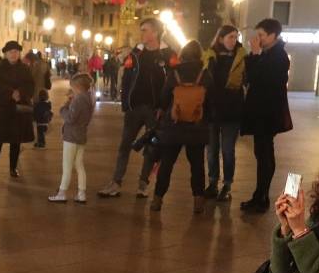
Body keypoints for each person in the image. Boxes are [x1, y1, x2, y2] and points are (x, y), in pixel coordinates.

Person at [99, 18, 171, 197]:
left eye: (145, 30)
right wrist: (126, 104)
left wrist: (164, 106)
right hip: (134, 107)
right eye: (142, 30)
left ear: (155, 32)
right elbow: (126, 78)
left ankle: (143, 184)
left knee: (152, 148)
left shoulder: (168, 55)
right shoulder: (136, 54)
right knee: (125, 145)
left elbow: (172, 83)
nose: (142, 34)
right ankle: (116, 182)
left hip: (156, 110)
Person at [149, 40, 210, 214]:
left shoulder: (174, 73)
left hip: (173, 126)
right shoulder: (205, 75)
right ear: (199, 56)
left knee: (167, 164)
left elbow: (163, 98)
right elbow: (211, 101)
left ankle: (157, 199)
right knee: (197, 165)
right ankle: (198, 201)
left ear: (182, 55)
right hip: (197, 127)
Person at [238, 18, 292, 213]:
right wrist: (256, 56)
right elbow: (250, 78)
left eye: (261, 35)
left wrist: (256, 55)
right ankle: (260, 194)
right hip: (261, 112)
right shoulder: (268, 54)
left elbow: (263, 80)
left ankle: (261, 196)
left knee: (264, 154)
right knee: (262, 153)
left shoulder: (279, 56)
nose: (258, 39)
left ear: (273, 36)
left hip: (268, 114)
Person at [201, 24, 247, 201]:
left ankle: (227, 184)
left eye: (236, 37)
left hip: (232, 110)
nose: (233, 40)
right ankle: (212, 182)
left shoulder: (242, 57)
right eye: (230, 37)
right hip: (212, 110)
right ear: (220, 38)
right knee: (212, 150)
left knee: (228, 150)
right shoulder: (210, 56)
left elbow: (248, 79)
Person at [0, 41, 34, 178]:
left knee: (15, 141)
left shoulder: (25, 69)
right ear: (5, 53)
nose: (13, 54)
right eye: (11, 52)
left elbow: (30, 85)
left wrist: (21, 93)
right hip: (2, 108)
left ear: (19, 54)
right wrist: (10, 93)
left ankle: (13, 168)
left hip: (18, 109)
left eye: (16, 52)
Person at [49, 72, 96, 203]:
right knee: (79, 165)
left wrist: (64, 107)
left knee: (67, 165)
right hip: (81, 135)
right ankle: (81, 193)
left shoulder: (79, 100)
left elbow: (70, 118)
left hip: (71, 136)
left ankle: (62, 192)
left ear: (78, 87)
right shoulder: (90, 97)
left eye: (73, 88)